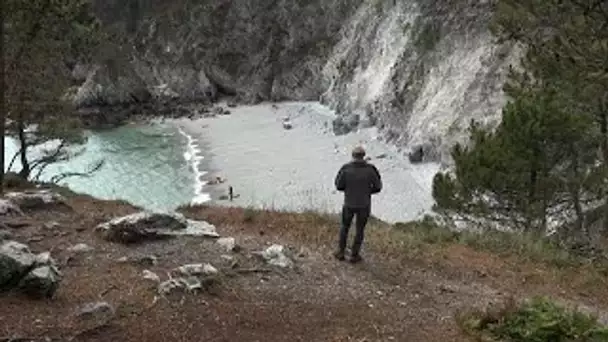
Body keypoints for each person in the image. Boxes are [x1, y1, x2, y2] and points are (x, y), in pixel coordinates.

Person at [334, 146, 382, 263]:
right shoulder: (371, 169)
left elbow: (339, 185)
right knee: (360, 229)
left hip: (349, 203)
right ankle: (354, 255)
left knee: (345, 227)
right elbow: (378, 187)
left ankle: (341, 252)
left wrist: (349, 190)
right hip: (364, 204)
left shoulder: (346, 168)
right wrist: (367, 192)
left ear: (353, 156)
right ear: (363, 156)